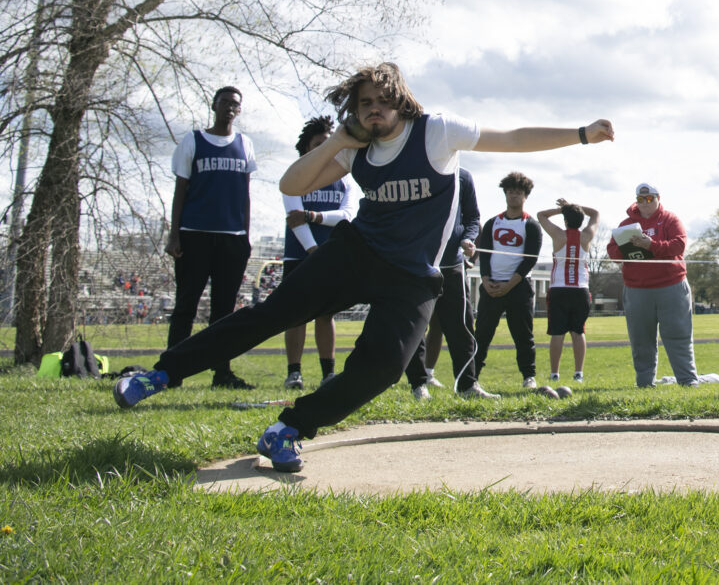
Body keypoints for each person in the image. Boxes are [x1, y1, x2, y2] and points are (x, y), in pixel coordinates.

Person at [112, 62, 614, 473]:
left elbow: (513, 137)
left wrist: (582, 134)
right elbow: (292, 185)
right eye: (364, 104)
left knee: (385, 368)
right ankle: (160, 374)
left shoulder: (436, 132)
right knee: (272, 314)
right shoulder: (357, 149)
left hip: (413, 275)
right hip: (357, 253)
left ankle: (289, 428)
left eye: (382, 101)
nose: (374, 110)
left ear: (401, 101)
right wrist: (338, 142)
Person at [164, 86, 256, 390]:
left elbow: (245, 194)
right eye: (224, 102)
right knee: (186, 305)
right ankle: (172, 372)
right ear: (214, 105)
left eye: (235, 104)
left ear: (239, 110)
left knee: (224, 311)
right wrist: (174, 234)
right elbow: (180, 191)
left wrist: (245, 235)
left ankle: (222, 373)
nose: (229, 107)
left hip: (232, 237)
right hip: (195, 234)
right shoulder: (193, 140)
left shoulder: (245, 144)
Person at [403, 167, 498, 400]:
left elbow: (472, 218)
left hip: (453, 266)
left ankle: (467, 386)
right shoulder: (414, 169)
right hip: (418, 264)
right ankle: (419, 385)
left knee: (462, 327)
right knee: (416, 328)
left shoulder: (463, 176)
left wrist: (468, 238)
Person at [281, 117, 357, 389]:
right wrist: (313, 250)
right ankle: (294, 373)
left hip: (331, 254)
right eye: (317, 144)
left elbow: (347, 215)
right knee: (296, 315)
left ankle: (328, 373)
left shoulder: (344, 178)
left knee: (326, 315)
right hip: (299, 255)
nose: (323, 149)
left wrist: (313, 215)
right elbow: (294, 218)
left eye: (328, 143)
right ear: (306, 147)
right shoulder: (296, 174)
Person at [606, 183, 699, 388]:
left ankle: (688, 380)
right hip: (637, 289)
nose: (645, 203)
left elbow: (679, 245)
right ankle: (645, 383)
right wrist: (628, 247)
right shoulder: (626, 224)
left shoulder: (670, 219)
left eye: (650, 199)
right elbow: (613, 252)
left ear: (658, 198)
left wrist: (651, 245)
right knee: (641, 339)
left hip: (671, 286)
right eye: (640, 199)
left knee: (678, 335)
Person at [472, 172, 543, 388]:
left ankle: (528, 377)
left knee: (523, 335)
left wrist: (510, 285)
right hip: (491, 286)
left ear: (525, 196)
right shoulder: (492, 223)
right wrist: (486, 280)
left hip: (518, 288)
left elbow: (530, 260)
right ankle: (470, 378)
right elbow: (484, 254)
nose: (514, 195)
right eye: (510, 191)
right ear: (505, 194)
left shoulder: (531, 225)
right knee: (481, 334)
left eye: (518, 192)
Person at [537, 198, 599, 382]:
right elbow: (595, 213)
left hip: (559, 289)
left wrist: (563, 208)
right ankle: (578, 374)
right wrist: (573, 206)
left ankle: (554, 374)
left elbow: (541, 215)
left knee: (557, 333)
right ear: (581, 220)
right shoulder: (586, 235)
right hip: (580, 290)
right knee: (578, 332)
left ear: (565, 220)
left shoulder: (558, 234)